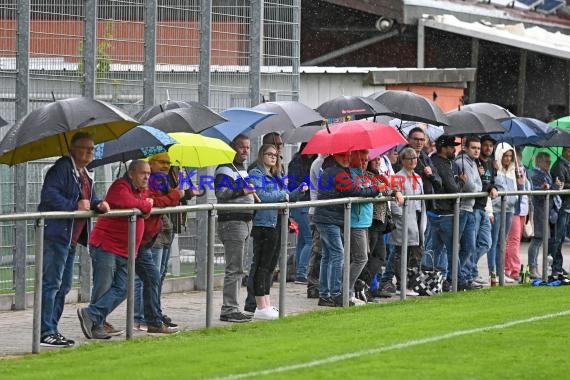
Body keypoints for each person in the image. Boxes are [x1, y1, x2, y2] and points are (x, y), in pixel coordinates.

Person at [78, 160, 177, 339]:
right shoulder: (119, 186)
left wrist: (147, 203)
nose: (147, 177)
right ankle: (96, 324)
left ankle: (93, 315)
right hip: (106, 245)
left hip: (127, 248)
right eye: (142, 173)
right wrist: (145, 205)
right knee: (104, 285)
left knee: (124, 287)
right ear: (131, 173)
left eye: (148, 173)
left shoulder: (143, 190)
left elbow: (151, 201)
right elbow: (128, 201)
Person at [38, 132, 110, 347]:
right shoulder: (62, 168)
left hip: (71, 238)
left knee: (64, 285)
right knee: (52, 284)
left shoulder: (85, 173)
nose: (89, 152)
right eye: (85, 148)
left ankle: (53, 328)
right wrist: (74, 207)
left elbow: (90, 198)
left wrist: (99, 205)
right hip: (57, 235)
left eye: (92, 148)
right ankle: (45, 331)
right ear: (72, 149)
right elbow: (49, 195)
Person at [133, 152, 201, 331]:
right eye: (162, 162)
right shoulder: (149, 180)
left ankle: (154, 313)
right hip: (152, 231)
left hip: (165, 228)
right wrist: (177, 194)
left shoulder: (165, 177)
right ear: (151, 162)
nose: (166, 166)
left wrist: (183, 193)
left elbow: (170, 197)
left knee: (159, 274)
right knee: (149, 276)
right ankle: (142, 317)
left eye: (168, 163)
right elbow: (156, 202)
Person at [248, 144, 307, 319]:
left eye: (276, 155)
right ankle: (260, 305)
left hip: (276, 223)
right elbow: (261, 196)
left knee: (270, 265)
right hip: (263, 224)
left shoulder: (276, 175)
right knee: (262, 264)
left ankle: (266, 302)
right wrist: (283, 196)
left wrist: (298, 192)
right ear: (261, 155)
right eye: (270, 154)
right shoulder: (256, 174)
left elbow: (287, 195)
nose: (274, 157)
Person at [313, 151, 380, 307]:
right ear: (334, 155)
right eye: (342, 155)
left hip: (327, 218)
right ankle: (337, 294)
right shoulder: (337, 172)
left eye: (348, 156)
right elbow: (356, 191)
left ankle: (325, 295)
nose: (346, 159)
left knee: (328, 256)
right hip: (329, 219)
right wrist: (376, 190)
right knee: (337, 255)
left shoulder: (332, 169)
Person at [215, 134, 255, 323]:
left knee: (239, 267)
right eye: (242, 147)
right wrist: (242, 190)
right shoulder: (225, 168)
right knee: (235, 268)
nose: (245, 151)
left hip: (245, 221)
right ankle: (229, 308)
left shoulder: (240, 168)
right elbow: (221, 193)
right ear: (233, 149)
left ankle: (233, 306)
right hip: (232, 222)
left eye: (247, 147)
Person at [426, 135, 465, 289]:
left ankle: (432, 279)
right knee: (451, 250)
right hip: (445, 213)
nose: (454, 149)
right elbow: (453, 189)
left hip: (438, 213)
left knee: (434, 249)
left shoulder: (439, 161)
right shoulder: (441, 164)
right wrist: (461, 181)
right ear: (442, 147)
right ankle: (458, 280)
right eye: (450, 146)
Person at [390, 147, 425, 296]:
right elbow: (393, 201)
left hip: (417, 217)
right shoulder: (398, 177)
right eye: (409, 158)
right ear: (403, 161)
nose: (413, 161)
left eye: (415, 158)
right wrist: (400, 217)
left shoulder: (417, 176)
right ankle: (401, 284)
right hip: (404, 219)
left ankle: (412, 283)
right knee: (401, 252)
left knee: (416, 252)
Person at [488, 143, 521, 283]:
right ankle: (493, 272)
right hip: (497, 209)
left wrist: (521, 183)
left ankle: (501, 271)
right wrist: (497, 172)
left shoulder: (514, 170)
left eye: (510, 156)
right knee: (494, 241)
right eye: (505, 156)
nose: (507, 159)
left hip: (509, 210)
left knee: (503, 241)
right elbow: (499, 187)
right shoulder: (495, 170)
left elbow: (517, 191)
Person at [454, 136, 483, 290]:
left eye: (478, 148)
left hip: (470, 208)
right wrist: (476, 187)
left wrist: (477, 186)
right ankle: (457, 277)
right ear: (465, 148)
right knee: (458, 245)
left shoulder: (473, 163)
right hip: (462, 209)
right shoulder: (462, 162)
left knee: (470, 247)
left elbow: (479, 185)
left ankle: (459, 275)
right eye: (474, 148)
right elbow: (472, 187)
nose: (477, 151)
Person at [469, 135, 497, 285]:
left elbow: (491, 183)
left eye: (490, 146)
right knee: (471, 243)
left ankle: (470, 268)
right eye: (484, 145)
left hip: (484, 208)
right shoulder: (473, 162)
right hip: (473, 208)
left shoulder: (491, 164)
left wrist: (493, 187)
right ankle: (470, 272)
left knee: (486, 243)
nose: (487, 148)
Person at [528, 152, 561, 279]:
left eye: (550, 162)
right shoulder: (536, 174)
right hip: (540, 210)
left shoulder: (545, 173)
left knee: (540, 240)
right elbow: (537, 191)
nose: (549, 164)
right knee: (537, 239)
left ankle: (535, 267)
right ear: (539, 162)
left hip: (546, 210)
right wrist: (552, 187)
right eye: (547, 161)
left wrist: (555, 186)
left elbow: (548, 189)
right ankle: (532, 267)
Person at [287, 143, 316, 284]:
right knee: (309, 240)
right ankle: (301, 272)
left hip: (306, 203)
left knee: (303, 240)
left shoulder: (313, 162)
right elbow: (292, 185)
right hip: (301, 204)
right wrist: (306, 185)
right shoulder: (296, 163)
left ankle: (299, 271)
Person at [504, 148, 531, 282]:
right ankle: (512, 270)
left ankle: (509, 268)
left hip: (524, 210)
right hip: (514, 209)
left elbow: (528, 190)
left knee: (516, 241)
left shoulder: (525, 170)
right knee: (512, 241)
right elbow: (516, 190)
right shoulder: (510, 172)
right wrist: (520, 185)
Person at [549, 147, 570, 279]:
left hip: (567, 206)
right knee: (557, 238)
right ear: (563, 151)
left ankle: (558, 266)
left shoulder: (565, 164)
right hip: (561, 206)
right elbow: (561, 184)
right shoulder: (558, 166)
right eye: (569, 150)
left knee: (561, 238)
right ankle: (554, 267)